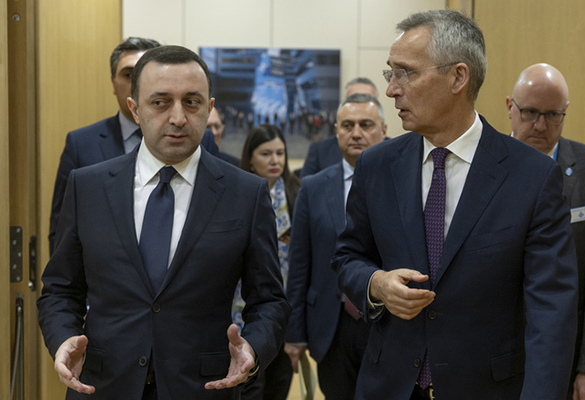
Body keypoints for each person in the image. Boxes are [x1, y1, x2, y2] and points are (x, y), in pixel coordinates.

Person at [332, 10, 578, 400]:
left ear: (458, 77)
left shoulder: (532, 177)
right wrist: (376, 284)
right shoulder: (376, 166)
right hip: (388, 384)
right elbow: (348, 256)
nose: (392, 89)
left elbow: (552, 313)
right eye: (391, 73)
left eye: (405, 73)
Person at [37, 45, 290, 400]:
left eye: (192, 102)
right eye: (160, 102)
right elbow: (61, 291)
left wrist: (252, 346)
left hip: (204, 388)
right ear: (135, 109)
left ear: (209, 108)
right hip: (103, 385)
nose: (178, 117)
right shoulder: (88, 187)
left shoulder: (246, 193)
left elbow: (270, 300)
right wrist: (63, 338)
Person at [507, 63, 585, 400]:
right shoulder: (482, 167)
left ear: (565, 112)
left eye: (553, 115)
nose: (540, 125)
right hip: (493, 354)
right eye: (530, 112)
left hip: (565, 355)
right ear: (510, 107)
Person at [48, 37, 220, 256]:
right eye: (129, 74)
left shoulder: (201, 140)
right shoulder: (81, 146)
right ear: (114, 83)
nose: (177, 119)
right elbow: (63, 237)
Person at [285, 93, 386, 399]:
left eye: (366, 125)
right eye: (348, 125)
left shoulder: (403, 182)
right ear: (336, 132)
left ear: (383, 130)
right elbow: (299, 264)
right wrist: (295, 333)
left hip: (386, 322)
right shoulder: (313, 187)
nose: (356, 133)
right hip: (330, 324)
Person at [234, 124, 300, 400]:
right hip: (242, 306)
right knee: (249, 386)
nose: (275, 160)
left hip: (286, 305)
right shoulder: (237, 192)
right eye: (266, 153)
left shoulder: (296, 192)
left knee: (279, 382)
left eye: (280, 153)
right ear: (250, 158)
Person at [300, 77, 379, 177]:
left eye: (367, 100)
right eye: (353, 100)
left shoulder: (395, 152)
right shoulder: (319, 151)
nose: (359, 106)